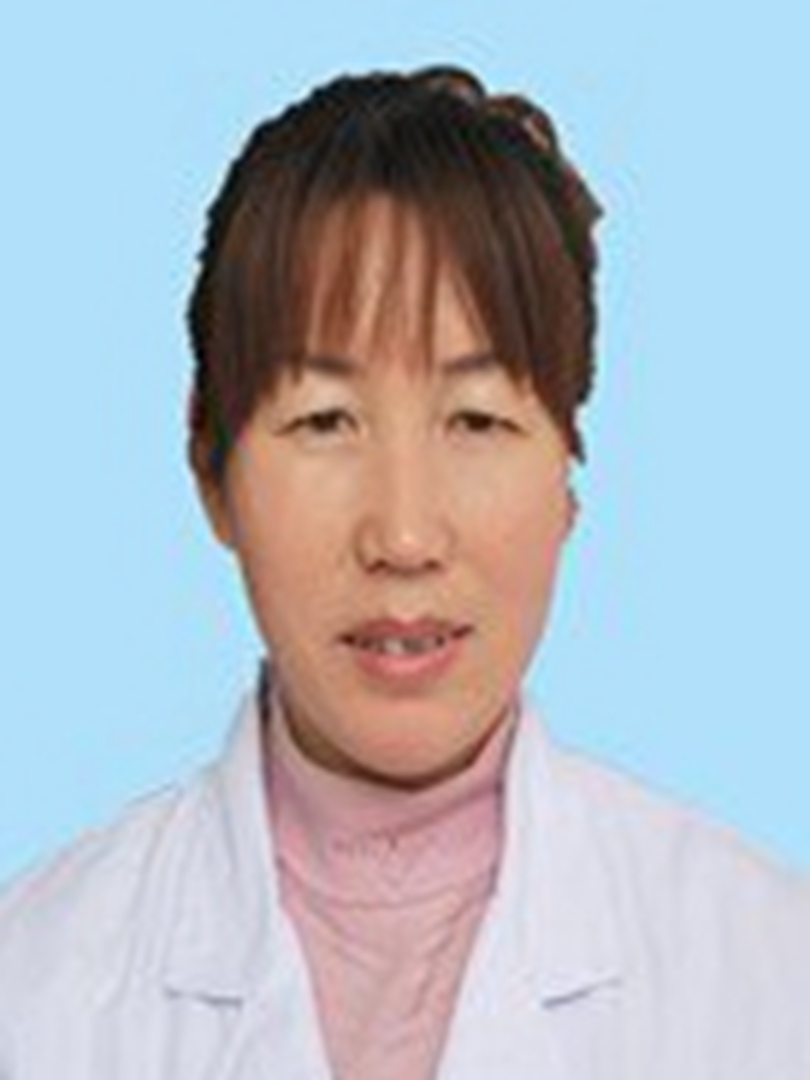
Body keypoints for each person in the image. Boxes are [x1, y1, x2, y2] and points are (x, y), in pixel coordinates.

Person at [0, 65, 808, 1080]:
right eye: (324, 420)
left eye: (477, 420)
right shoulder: (31, 992)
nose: (405, 535)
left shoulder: (770, 975)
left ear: (568, 472)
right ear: (211, 468)